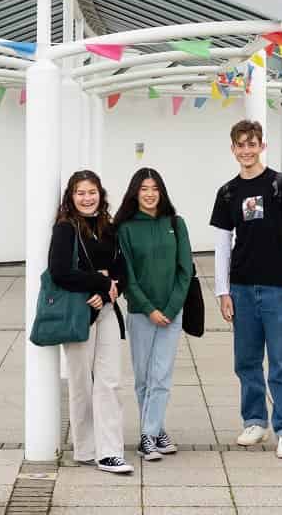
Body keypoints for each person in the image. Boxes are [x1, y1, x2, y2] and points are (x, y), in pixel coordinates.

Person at [210, 119, 282, 458]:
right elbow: (222, 246)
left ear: (261, 146)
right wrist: (223, 293)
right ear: (233, 149)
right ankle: (255, 420)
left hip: (278, 290)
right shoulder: (227, 193)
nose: (247, 150)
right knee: (247, 361)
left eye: (252, 144)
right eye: (241, 145)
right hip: (241, 289)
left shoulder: (280, 185)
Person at [47, 170, 133, 475]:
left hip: (107, 311)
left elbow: (121, 271)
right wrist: (98, 283)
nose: (87, 198)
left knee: (109, 381)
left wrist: (111, 292)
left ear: (101, 193)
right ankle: (85, 449)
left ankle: (110, 452)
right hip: (79, 313)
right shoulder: (65, 229)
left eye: (92, 192)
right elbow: (59, 271)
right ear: (71, 197)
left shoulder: (109, 227)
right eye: (80, 193)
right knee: (81, 382)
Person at [113, 167, 193, 463]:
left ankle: (147, 435)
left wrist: (169, 309)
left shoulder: (176, 223)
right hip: (140, 313)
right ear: (135, 192)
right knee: (144, 377)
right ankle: (156, 430)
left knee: (161, 376)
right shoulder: (125, 228)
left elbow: (186, 271)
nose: (149, 194)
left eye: (154, 188)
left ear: (162, 191)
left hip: (172, 314)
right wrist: (149, 309)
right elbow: (128, 277)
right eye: (144, 188)